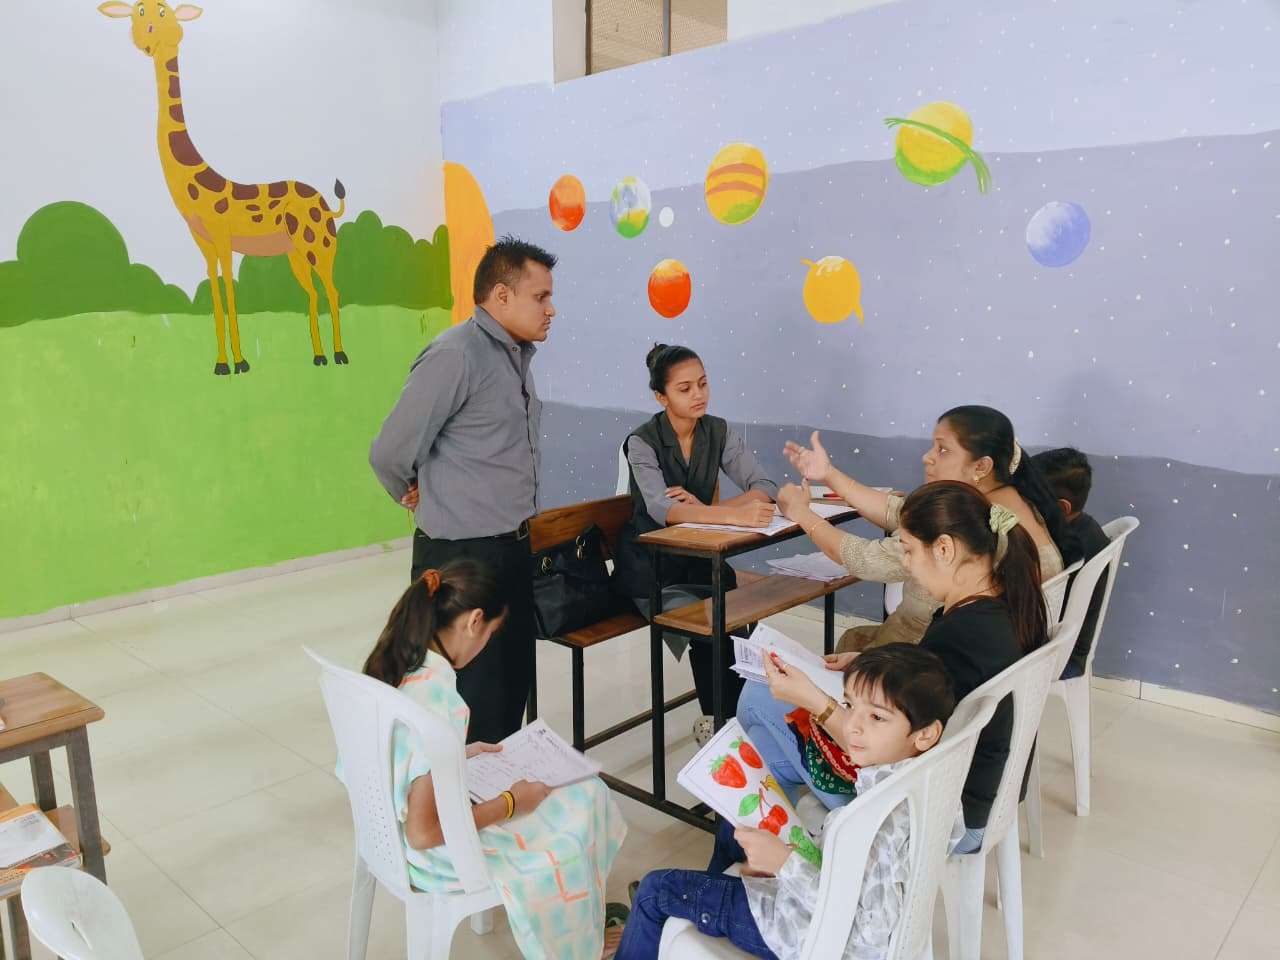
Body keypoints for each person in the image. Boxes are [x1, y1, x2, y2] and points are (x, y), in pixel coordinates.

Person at [350, 559, 629, 960]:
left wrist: (456, 755)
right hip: (433, 857)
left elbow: (400, 755)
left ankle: (583, 925)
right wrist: (512, 802)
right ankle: (580, 946)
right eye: (491, 634)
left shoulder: (396, 665)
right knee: (585, 798)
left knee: (576, 794)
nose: (486, 646)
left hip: (385, 836)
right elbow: (424, 834)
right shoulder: (440, 702)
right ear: (474, 621)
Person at [613, 644, 956, 960]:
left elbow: (867, 940)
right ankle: (701, 904)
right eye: (850, 705)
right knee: (734, 829)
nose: (852, 726)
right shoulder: (924, 781)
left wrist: (784, 864)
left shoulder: (881, 817)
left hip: (802, 933)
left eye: (877, 717)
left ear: (926, 734)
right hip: (817, 888)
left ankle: (671, 918)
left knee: (655, 891)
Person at [369, 236, 556, 744]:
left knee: (507, 695)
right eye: (540, 297)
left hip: (512, 551)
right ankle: (456, 795)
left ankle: (495, 792)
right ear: (501, 296)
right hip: (461, 559)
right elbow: (389, 451)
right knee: (462, 704)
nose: (551, 309)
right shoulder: (455, 355)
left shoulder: (515, 359)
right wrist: (408, 488)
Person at [775, 404, 1076, 652]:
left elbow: (866, 558)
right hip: (959, 651)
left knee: (844, 647)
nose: (927, 457)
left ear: (981, 466)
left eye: (942, 450)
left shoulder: (971, 525)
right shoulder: (1009, 503)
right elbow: (900, 512)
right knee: (852, 640)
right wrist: (828, 473)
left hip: (919, 655)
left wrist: (801, 513)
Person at [613, 343, 779, 744]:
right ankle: (719, 725)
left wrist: (705, 510)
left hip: (701, 559)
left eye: (703, 384)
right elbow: (661, 509)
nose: (698, 394)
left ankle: (742, 719)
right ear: (661, 397)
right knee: (712, 626)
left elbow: (765, 486)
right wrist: (732, 514)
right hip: (652, 569)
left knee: (739, 620)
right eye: (685, 388)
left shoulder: (717, 431)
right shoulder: (641, 442)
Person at [1032, 447, 1112, 678]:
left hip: (1061, 657)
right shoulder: (1083, 527)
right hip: (1066, 646)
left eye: (1030, 500)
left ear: (1061, 508)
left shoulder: (1067, 549)